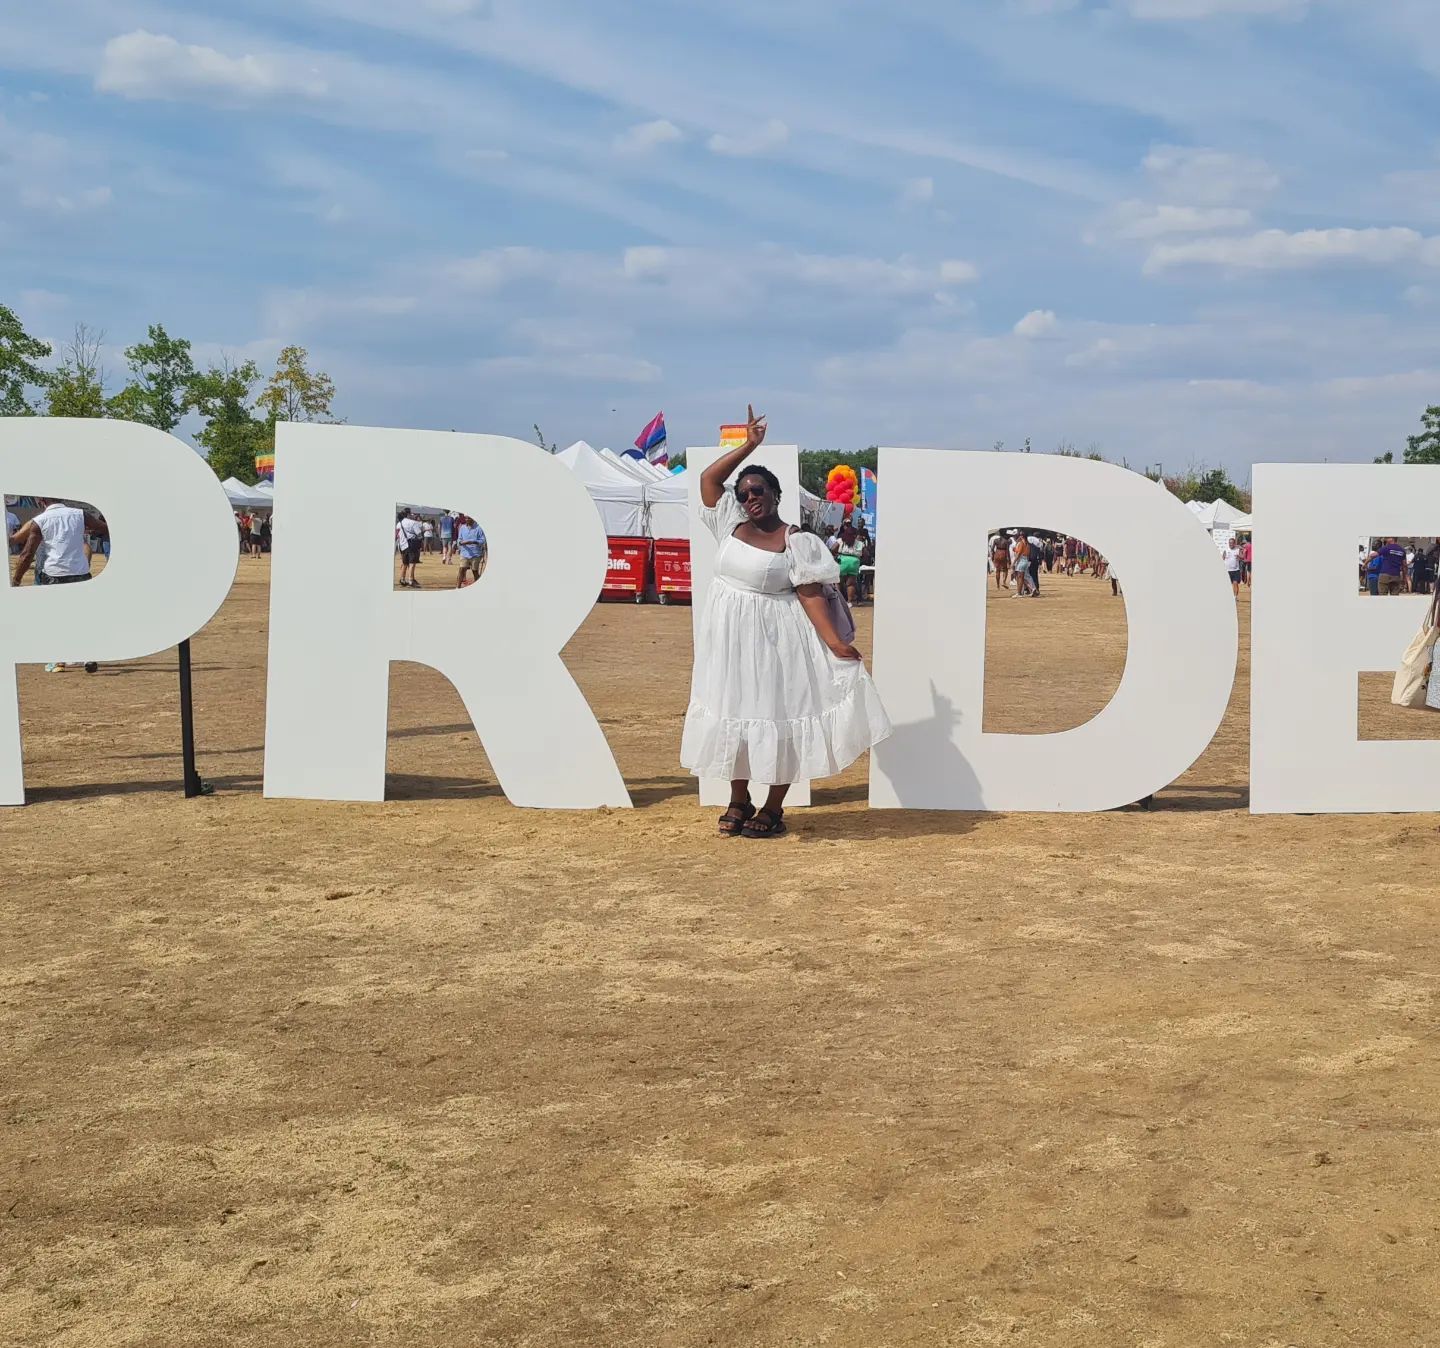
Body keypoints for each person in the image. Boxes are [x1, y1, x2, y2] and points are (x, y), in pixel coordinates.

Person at [684, 405, 891, 839]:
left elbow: (810, 593)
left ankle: (773, 807)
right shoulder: (729, 523)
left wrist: (836, 644)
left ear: (777, 494)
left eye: (757, 490)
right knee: (731, 713)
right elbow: (707, 481)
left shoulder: (796, 541)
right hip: (727, 641)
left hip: (775, 642)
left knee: (779, 715)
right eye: (742, 493)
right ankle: (738, 799)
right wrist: (750, 445)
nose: (749, 498)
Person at [10, 499, 98, 673]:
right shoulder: (79, 515)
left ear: (40, 501)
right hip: (80, 574)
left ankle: (58, 660)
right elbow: (94, 538)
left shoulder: (40, 520)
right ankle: (88, 656)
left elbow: (26, 553)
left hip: (54, 575)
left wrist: (16, 579)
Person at [835, 521, 865, 605]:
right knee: (850, 583)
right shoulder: (859, 543)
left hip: (842, 560)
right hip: (854, 562)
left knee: (838, 582)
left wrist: (835, 555)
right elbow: (865, 554)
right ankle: (849, 602)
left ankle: (839, 601)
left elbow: (833, 548)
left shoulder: (841, 540)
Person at [396, 509, 425, 588]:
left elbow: (397, 535)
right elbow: (419, 534)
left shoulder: (399, 523)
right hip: (411, 545)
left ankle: (402, 579)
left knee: (405, 563)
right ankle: (411, 581)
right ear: (408, 514)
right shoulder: (413, 523)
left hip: (401, 545)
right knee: (412, 563)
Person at [455, 515, 486, 587]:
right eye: (466, 518)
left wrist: (472, 542)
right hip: (464, 553)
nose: (467, 520)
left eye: (469, 518)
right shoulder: (462, 527)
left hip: (476, 554)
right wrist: (460, 542)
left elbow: (482, 540)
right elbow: (459, 539)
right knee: (461, 570)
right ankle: (457, 587)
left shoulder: (479, 528)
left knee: (475, 571)